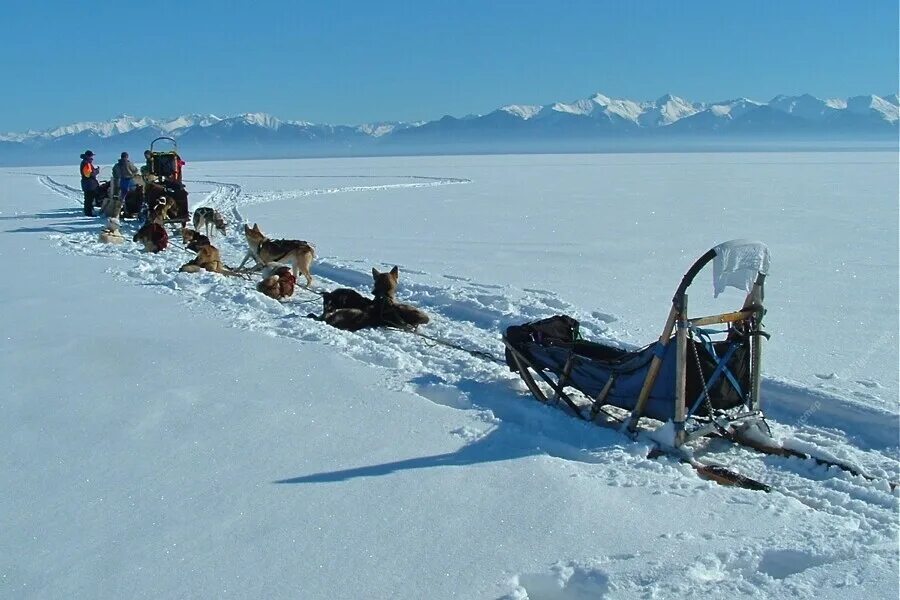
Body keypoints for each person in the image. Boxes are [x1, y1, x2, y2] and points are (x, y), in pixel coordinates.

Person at [79, 150, 100, 216]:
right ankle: (88, 213)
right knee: (89, 199)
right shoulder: (86, 163)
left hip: (88, 183)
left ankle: (89, 211)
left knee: (89, 198)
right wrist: (96, 171)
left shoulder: (86, 163)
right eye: (91, 156)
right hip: (89, 183)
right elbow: (88, 174)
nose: (92, 157)